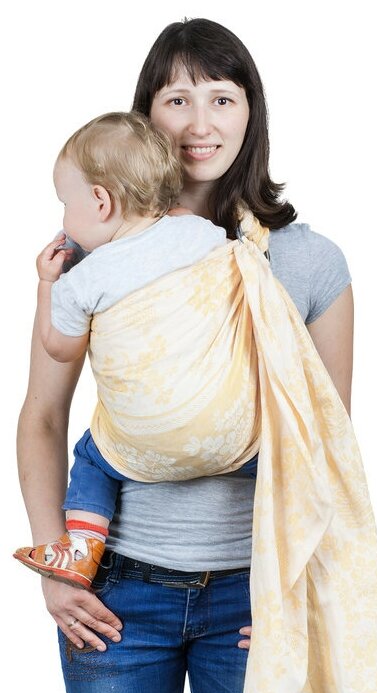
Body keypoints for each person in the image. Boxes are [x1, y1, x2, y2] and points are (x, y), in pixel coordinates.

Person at [16, 18, 377, 693]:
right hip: (115, 594)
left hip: (254, 600)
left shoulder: (307, 261)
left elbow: (325, 441)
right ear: (144, 116)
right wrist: (57, 567)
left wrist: (309, 587)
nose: (200, 123)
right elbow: (44, 417)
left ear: (251, 112)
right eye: (177, 99)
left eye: (222, 98)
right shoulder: (91, 257)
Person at [13, 110, 228, 589]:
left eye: (64, 203)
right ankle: (336, 544)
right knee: (291, 446)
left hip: (142, 442)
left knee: (93, 456)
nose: (64, 218)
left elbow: (60, 348)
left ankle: (80, 550)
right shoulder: (202, 234)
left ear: (100, 201)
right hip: (227, 431)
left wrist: (47, 284)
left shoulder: (85, 277)